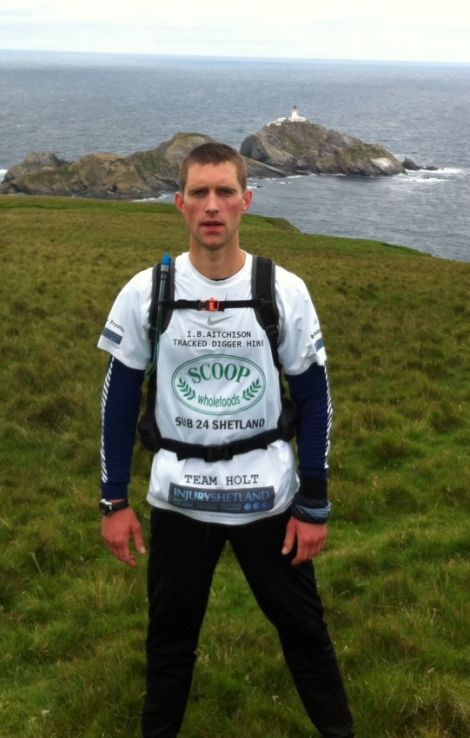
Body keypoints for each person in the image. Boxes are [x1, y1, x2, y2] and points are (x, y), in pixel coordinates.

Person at [97, 142, 354, 738]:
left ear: (247, 201)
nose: (213, 206)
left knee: (306, 636)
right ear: (180, 203)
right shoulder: (146, 292)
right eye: (200, 193)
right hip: (178, 500)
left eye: (226, 192)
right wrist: (114, 501)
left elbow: (315, 397)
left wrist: (313, 503)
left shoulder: (283, 289)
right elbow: (118, 400)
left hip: (267, 500)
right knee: (169, 646)